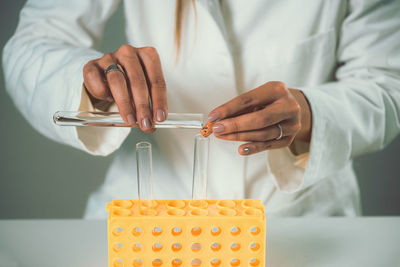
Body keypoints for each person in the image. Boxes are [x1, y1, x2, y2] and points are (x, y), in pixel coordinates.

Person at [3, 0, 400, 218]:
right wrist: (91, 81)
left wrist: (312, 113)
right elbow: (34, 42)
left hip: (301, 219)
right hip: (151, 219)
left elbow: (388, 81)